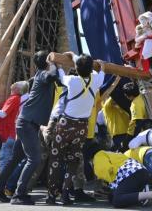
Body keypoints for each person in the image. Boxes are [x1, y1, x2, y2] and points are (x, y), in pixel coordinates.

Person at [0, 51, 59, 204]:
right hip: (28, 123)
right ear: (47, 63)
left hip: (26, 123)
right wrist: (53, 64)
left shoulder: (38, 76)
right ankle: (19, 194)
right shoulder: (43, 74)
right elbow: (52, 76)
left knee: (16, 158)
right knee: (34, 159)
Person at [44, 53, 105, 204]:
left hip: (65, 125)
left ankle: (52, 195)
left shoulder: (71, 80)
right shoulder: (96, 80)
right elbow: (100, 70)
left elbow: (61, 73)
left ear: (76, 68)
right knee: (73, 161)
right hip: (81, 127)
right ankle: (65, 193)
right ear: (91, 68)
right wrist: (101, 65)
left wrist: (67, 58)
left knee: (56, 159)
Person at [88, 146, 152, 208]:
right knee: (113, 198)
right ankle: (144, 192)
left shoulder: (98, 155)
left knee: (117, 200)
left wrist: (107, 186)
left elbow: (105, 170)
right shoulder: (110, 154)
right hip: (140, 172)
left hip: (130, 173)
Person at [0, 81, 28, 170]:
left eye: (12, 89)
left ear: (17, 90)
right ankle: (10, 182)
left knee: (4, 160)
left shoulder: (14, 99)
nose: (11, 91)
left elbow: (3, 114)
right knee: (13, 161)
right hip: (19, 133)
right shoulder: (30, 99)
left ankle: (2, 182)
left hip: (8, 133)